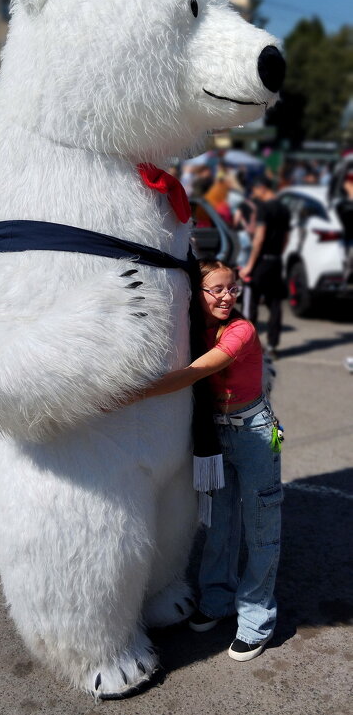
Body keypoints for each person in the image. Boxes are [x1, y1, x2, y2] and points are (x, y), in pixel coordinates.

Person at [134, 260, 282, 662]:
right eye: (215, 289)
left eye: (231, 289)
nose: (225, 297)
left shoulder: (241, 329)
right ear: (197, 294)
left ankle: (256, 620)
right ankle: (217, 601)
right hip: (215, 434)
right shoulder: (194, 330)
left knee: (260, 527)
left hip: (253, 433)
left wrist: (129, 394)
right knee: (218, 525)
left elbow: (197, 371)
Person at [239, 177, 290, 359]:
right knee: (275, 304)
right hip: (276, 261)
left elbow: (259, 238)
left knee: (250, 304)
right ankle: (273, 345)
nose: (255, 195)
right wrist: (277, 255)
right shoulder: (284, 209)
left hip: (261, 262)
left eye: (256, 191)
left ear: (262, 188)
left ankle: (249, 346)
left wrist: (249, 266)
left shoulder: (264, 208)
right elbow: (286, 238)